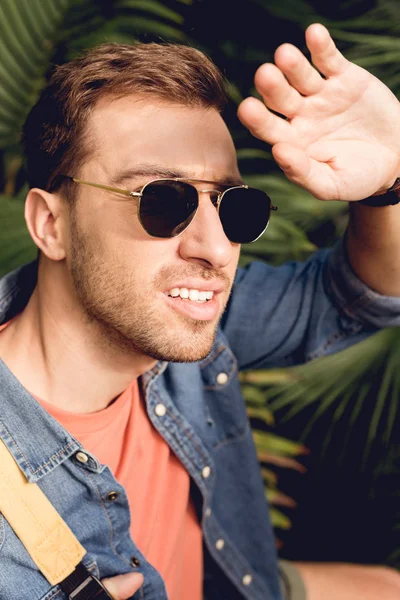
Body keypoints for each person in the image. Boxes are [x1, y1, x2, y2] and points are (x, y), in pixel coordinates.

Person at [0, 21, 399, 600]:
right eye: (162, 201)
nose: (214, 249)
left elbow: (357, 298)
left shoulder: (186, 321)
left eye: (234, 209)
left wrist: (386, 184)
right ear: (50, 224)